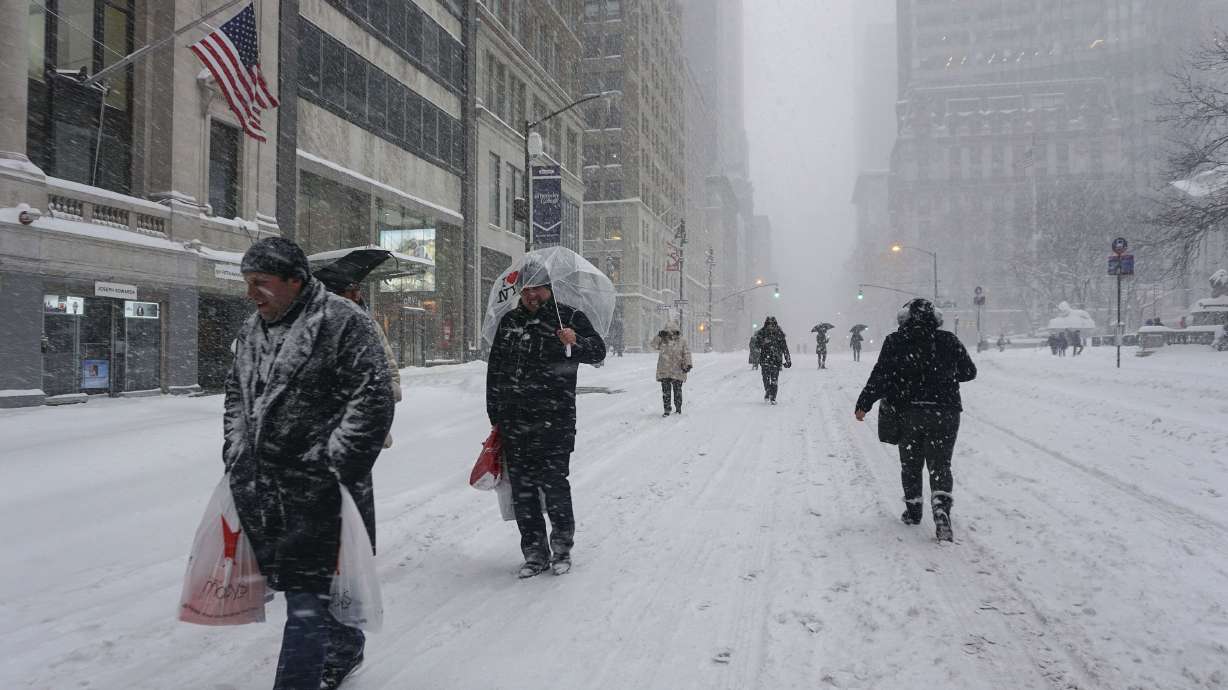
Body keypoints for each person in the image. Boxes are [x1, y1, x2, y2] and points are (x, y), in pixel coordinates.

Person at [223, 237, 394, 690]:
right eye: (247, 283)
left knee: (306, 597)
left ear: (294, 281)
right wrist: (238, 456)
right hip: (266, 490)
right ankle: (344, 646)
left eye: (260, 282)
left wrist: (331, 467)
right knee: (313, 587)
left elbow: (372, 402)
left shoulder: (343, 323)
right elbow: (236, 402)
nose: (251, 292)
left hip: (324, 491)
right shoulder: (252, 331)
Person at [486, 265, 607, 578]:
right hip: (515, 423)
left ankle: (562, 547)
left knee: (554, 487)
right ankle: (534, 553)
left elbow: (598, 353)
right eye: (525, 290)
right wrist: (495, 415)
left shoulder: (569, 317)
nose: (530, 295)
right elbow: (495, 370)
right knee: (523, 492)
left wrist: (575, 340)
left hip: (556, 420)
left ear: (549, 288)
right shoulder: (510, 322)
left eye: (536, 288)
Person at [853, 298, 975, 542]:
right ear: (935, 318)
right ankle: (941, 510)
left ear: (904, 318)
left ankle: (914, 509)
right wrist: (943, 375)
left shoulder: (895, 341)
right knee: (941, 465)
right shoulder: (948, 340)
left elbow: (881, 376)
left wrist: (864, 404)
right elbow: (969, 372)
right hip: (945, 412)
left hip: (909, 412)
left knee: (911, 463)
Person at [316, 274, 402, 448]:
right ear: (336, 294)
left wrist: (384, 394)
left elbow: (390, 370)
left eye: (358, 290)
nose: (357, 296)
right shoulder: (318, 328)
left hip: (362, 422)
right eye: (351, 291)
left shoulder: (370, 325)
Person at [652, 321, 692, 416]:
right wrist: (659, 336)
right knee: (666, 391)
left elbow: (686, 353)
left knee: (677, 390)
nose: (670, 334)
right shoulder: (662, 340)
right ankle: (667, 409)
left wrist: (688, 364)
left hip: (677, 369)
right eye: (668, 332)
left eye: (673, 332)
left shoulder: (682, 341)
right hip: (665, 369)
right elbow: (653, 345)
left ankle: (678, 408)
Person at [751, 316, 791, 404]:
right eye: (769, 324)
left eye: (772, 324)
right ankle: (768, 391)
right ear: (766, 324)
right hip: (765, 359)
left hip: (776, 360)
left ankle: (773, 397)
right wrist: (763, 342)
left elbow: (785, 348)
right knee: (765, 379)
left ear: (775, 324)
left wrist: (788, 360)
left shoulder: (779, 333)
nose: (771, 326)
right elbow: (756, 345)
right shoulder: (762, 333)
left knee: (774, 379)